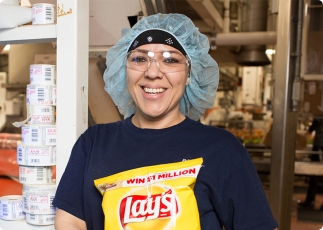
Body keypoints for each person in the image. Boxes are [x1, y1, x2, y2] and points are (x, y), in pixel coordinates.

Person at [53, 13, 278, 230]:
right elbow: (70, 221)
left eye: (170, 60)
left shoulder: (222, 149)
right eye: (140, 58)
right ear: (125, 70)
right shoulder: (93, 143)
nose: (152, 73)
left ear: (190, 74)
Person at [298, 118, 323, 210]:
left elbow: (316, 121)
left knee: (315, 175)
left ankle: (310, 201)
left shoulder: (319, 105)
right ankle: (310, 200)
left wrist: (305, 135)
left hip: (320, 145)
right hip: (320, 143)